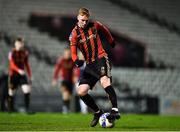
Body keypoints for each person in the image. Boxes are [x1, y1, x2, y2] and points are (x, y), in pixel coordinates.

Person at [69, 7, 120, 127]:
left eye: (86, 20)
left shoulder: (95, 25)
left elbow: (105, 29)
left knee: (105, 81)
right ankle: (98, 112)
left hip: (101, 58)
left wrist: (111, 40)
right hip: (90, 64)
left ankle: (115, 110)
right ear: (78, 18)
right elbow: (73, 52)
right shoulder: (74, 33)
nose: (84, 22)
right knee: (81, 91)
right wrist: (76, 61)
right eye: (82, 20)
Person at [8, 37, 32, 113]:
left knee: (26, 90)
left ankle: (27, 109)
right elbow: (11, 64)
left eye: (21, 43)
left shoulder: (25, 53)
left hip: (22, 75)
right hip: (14, 74)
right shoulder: (11, 53)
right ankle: (10, 109)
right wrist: (18, 70)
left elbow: (27, 64)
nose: (20, 45)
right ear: (15, 44)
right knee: (11, 92)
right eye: (18, 43)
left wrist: (30, 75)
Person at [52, 48, 74, 113]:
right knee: (65, 93)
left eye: (69, 53)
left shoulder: (72, 61)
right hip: (63, 79)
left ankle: (67, 107)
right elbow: (57, 70)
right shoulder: (61, 60)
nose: (67, 55)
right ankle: (65, 108)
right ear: (64, 54)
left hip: (70, 80)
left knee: (69, 95)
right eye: (66, 53)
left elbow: (76, 69)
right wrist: (55, 79)